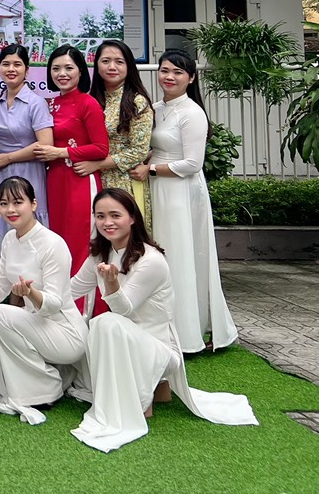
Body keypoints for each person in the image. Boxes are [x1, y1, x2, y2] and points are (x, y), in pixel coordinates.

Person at [68, 188, 256, 452]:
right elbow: (71, 290)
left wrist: (111, 284)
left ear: (132, 217)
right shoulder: (101, 254)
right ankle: (147, 391)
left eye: (115, 215)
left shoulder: (151, 260)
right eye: (100, 216)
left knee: (104, 322)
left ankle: (139, 401)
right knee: (86, 329)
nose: (107, 222)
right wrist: (36, 296)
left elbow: (123, 310)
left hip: (159, 350)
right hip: (127, 342)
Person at [132, 49, 238, 353]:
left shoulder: (192, 113)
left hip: (180, 190)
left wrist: (151, 169)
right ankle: (158, 325)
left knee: (181, 255)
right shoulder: (156, 108)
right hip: (156, 188)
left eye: (178, 72)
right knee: (160, 253)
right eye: (165, 70)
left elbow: (192, 163)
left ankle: (187, 331)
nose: (169, 77)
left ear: (191, 78)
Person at [0, 175, 86, 424]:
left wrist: (31, 293)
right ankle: (37, 385)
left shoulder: (53, 244)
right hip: (35, 325)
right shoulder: (9, 239)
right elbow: (0, 286)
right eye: (4, 203)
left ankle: (47, 386)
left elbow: (54, 303)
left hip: (65, 331)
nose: (10, 209)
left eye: (17, 202)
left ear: (33, 204)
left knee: (0, 314)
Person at [34, 44, 109, 273]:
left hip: (80, 180)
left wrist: (61, 152)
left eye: (69, 68)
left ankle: (84, 296)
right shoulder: (49, 104)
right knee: (58, 240)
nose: (62, 74)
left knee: (80, 240)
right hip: (54, 180)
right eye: (56, 68)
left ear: (81, 71)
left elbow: (101, 148)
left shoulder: (88, 103)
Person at [0, 44, 54, 263]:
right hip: (0, 173)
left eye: (17, 64)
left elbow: (45, 145)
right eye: (6, 64)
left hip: (28, 171)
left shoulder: (36, 103)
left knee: (25, 220)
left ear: (27, 69)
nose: (11, 69)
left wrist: (9, 158)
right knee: (4, 218)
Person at [84, 40, 154, 224]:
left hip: (124, 180)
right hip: (92, 179)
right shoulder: (90, 100)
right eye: (106, 61)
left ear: (129, 66)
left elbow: (139, 151)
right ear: (97, 64)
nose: (112, 67)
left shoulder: (137, 102)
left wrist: (97, 165)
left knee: (123, 232)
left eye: (119, 62)